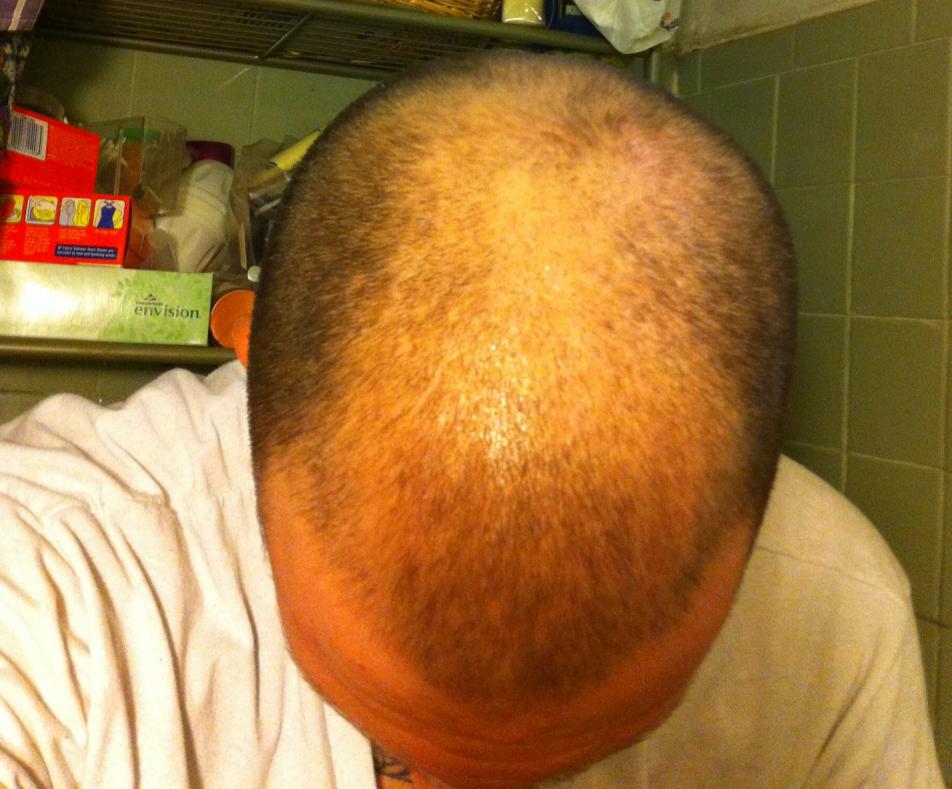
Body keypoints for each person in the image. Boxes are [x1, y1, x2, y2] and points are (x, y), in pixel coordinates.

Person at [0, 52, 941, 789]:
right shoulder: (46, 586)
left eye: (570, 765)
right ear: (253, 363)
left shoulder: (837, 608)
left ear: (763, 491)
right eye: (390, 747)